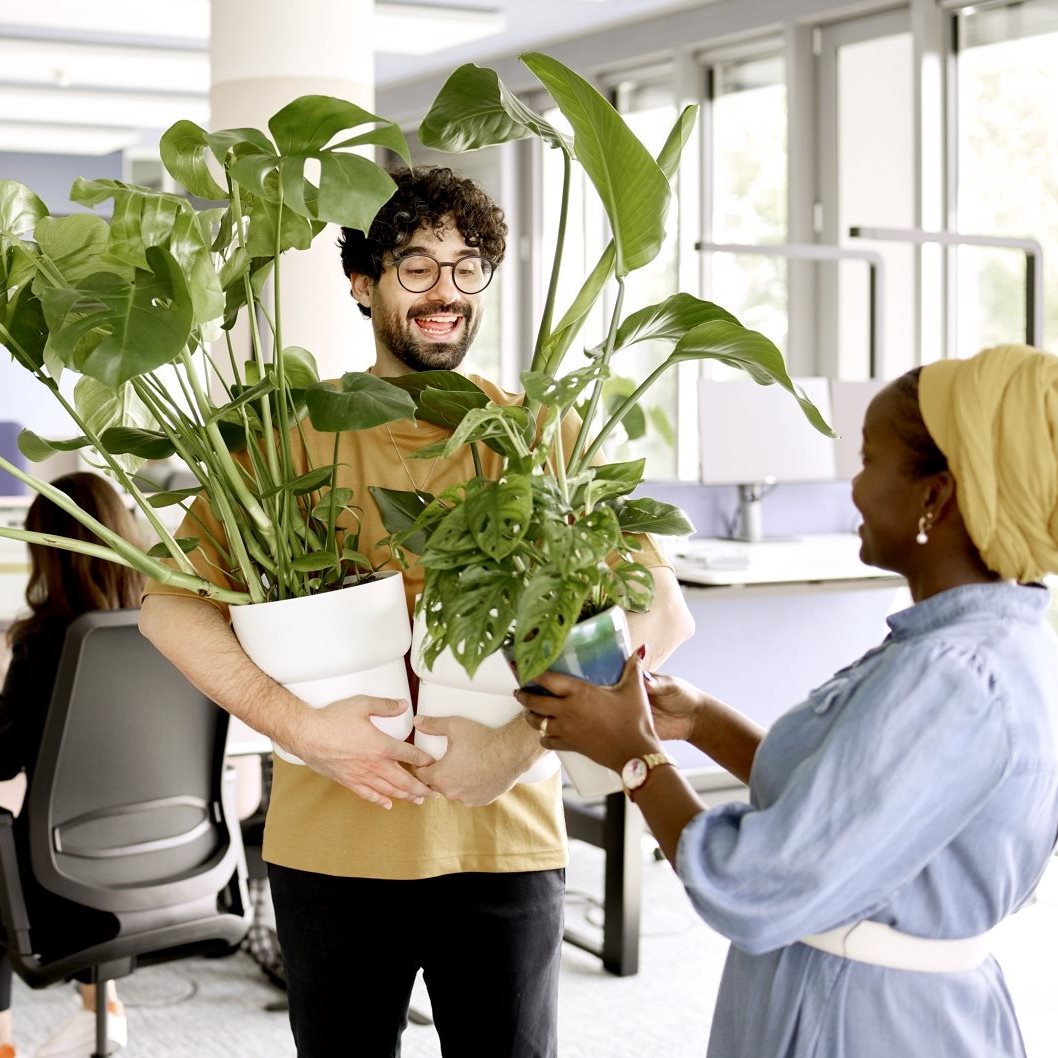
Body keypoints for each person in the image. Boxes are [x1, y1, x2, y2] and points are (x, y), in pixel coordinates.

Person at [139, 166, 695, 1057]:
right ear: (363, 283)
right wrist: (307, 731)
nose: (447, 291)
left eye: (467, 266)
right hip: (331, 844)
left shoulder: (534, 432)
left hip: (505, 838)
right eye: (416, 265)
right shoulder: (291, 433)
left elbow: (654, 614)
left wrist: (515, 749)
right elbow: (166, 608)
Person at [516, 343, 1058, 1058]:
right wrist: (703, 723)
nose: (853, 489)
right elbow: (849, 808)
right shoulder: (980, 643)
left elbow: (751, 885)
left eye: (867, 461)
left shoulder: (953, 675)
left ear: (936, 495)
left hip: (864, 1023)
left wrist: (635, 757)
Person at [0, 473, 140, 1058]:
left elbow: (3, 760)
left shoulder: (44, 646)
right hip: (157, 870)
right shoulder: (169, 634)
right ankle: (101, 1008)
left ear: (45, 553)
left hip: (59, 877)